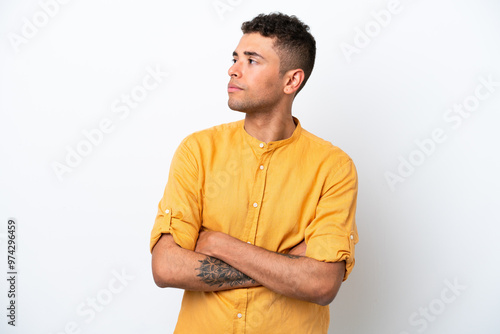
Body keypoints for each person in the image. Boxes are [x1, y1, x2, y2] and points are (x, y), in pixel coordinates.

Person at [150, 12, 358, 334]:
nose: (233, 70)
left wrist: (219, 244)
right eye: (235, 58)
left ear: (291, 80)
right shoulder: (198, 151)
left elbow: (321, 285)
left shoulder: (332, 167)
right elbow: (165, 267)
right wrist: (287, 266)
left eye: (252, 60)